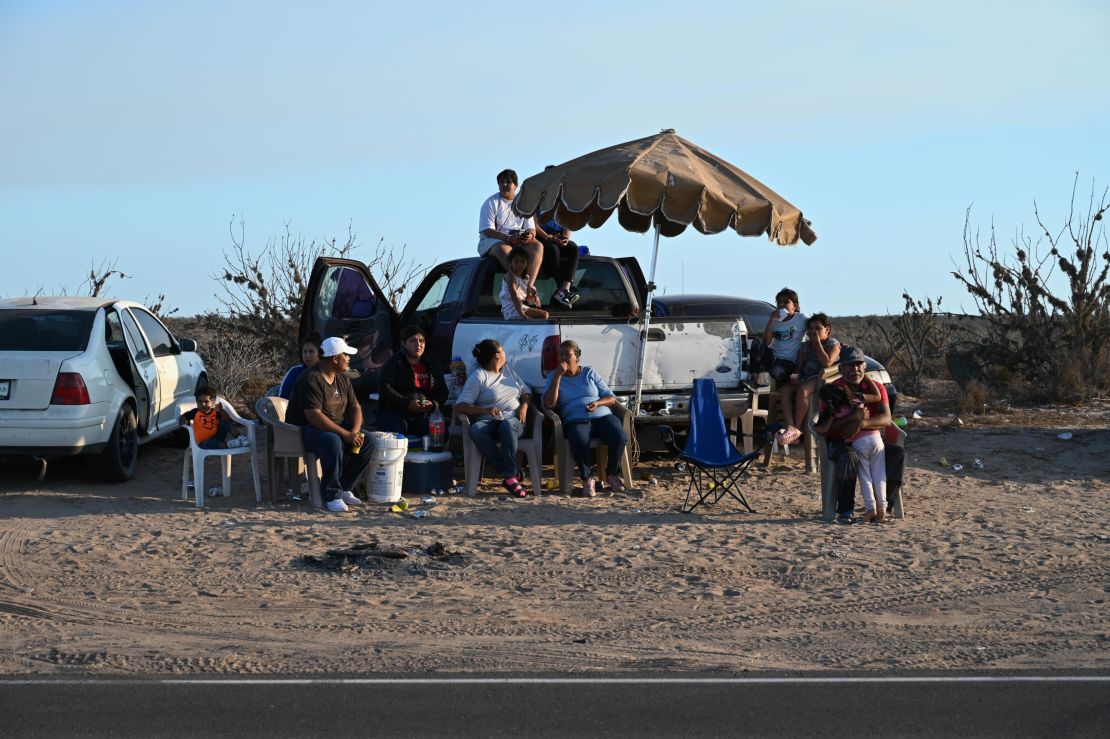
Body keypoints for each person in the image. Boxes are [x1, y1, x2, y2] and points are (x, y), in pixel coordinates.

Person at [285, 336, 371, 513]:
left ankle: (345, 487)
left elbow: (355, 406)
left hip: (334, 425)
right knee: (333, 441)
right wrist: (345, 434)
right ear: (335, 358)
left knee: (368, 441)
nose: (349, 359)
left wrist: (353, 432)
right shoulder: (310, 378)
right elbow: (313, 416)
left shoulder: (342, 378)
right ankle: (331, 495)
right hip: (303, 430)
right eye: (346, 355)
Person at [814, 346, 891, 524]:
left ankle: (880, 508)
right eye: (849, 365)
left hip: (864, 438)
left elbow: (887, 419)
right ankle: (847, 511)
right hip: (842, 442)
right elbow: (822, 427)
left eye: (858, 365)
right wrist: (853, 417)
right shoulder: (833, 392)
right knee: (851, 459)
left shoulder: (873, 389)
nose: (854, 369)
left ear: (864, 367)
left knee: (897, 455)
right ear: (841, 369)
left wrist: (860, 423)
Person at [543, 339, 627, 498]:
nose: (563, 358)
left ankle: (612, 474)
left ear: (577, 357)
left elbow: (611, 398)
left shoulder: (589, 373)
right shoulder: (553, 376)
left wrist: (598, 402)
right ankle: (587, 478)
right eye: (560, 354)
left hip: (601, 415)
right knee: (580, 439)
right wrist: (557, 377)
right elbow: (549, 404)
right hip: (575, 418)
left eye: (567, 355)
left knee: (619, 436)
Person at [454, 339, 533, 497]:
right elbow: (460, 406)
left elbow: (526, 392)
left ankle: (509, 475)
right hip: (488, 421)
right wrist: (484, 409)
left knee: (507, 426)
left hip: (512, 420)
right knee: (476, 430)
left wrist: (524, 406)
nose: (505, 353)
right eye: (503, 350)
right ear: (497, 355)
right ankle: (509, 474)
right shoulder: (479, 376)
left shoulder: (508, 370)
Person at [477, 169, 544, 299]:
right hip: (494, 239)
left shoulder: (523, 203)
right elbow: (487, 230)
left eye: (508, 182)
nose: (505, 185)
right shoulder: (491, 202)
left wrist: (530, 235)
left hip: (518, 239)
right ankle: (518, 286)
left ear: (515, 185)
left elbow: (531, 228)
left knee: (538, 246)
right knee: (505, 250)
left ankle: (529, 286)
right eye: (501, 182)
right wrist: (507, 238)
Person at [777, 314, 841, 445]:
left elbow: (827, 363)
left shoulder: (832, 344)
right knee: (784, 389)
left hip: (821, 378)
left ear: (827, 329)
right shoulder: (805, 346)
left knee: (803, 390)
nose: (813, 332)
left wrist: (817, 343)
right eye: (810, 329)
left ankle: (797, 429)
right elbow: (799, 366)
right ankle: (791, 426)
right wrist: (795, 375)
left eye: (817, 328)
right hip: (805, 376)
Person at [376, 326, 448, 436]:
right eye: (413, 340)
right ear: (404, 343)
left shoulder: (433, 364)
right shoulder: (394, 362)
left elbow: (443, 391)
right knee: (397, 438)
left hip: (422, 414)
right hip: (394, 411)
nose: (418, 344)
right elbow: (384, 388)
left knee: (441, 434)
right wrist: (407, 403)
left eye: (421, 341)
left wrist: (433, 404)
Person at [762, 287, 808, 386]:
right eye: (779, 302)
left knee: (777, 371)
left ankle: (786, 386)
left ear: (794, 306)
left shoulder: (801, 318)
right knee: (756, 345)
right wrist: (771, 320)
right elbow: (767, 342)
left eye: (786, 302)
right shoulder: (774, 320)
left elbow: (816, 328)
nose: (781, 304)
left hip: (791, 360)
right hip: (774, 357)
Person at [534, 216, 581, 309]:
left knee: (574, 248)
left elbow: (567, 223)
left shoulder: (561, 203)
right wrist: (548, 237)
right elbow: (533, 224)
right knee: (554, 250)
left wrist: (565, 238)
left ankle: (565, 288)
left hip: (558, 236)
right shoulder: (537, 203)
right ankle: (560, 288)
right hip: (542, 236)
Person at [179, 387, 247, 450]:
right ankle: (230, 444)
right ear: (196, 401)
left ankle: (240, 437)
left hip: (218, 437)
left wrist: (221, 410)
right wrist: (183, 420)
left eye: (206, 401)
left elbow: (226, 419)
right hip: (203, 442)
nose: (203, 404)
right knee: (208, 444)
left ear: (212, 402)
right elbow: (184, 416)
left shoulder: (215, 412)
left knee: (225, 422)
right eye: (200, 401)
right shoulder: (195, 412)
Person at [501, 247, 550, 320]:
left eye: (523, 261)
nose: (519, 264)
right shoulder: (510, 276)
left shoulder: (526, 278)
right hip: (511, 308)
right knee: (542, 316)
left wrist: (535, 296)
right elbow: (514, 296)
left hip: (520, 306)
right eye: (516, 261)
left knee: (545, 315)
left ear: (527, 263)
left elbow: (527, 298)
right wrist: (522, 314)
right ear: (511, 262)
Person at [278, 333, 322, 400]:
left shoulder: (328, 372)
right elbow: (283, 398)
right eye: (304, 351)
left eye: (311, 351)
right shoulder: (295, 372)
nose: (307, 355)